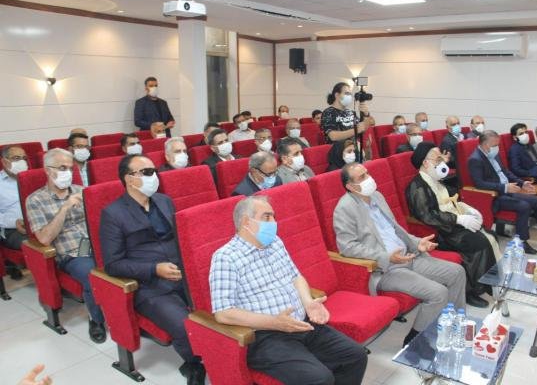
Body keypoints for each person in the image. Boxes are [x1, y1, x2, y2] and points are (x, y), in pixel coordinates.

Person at [210, 196, 367, 385]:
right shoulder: (225, 258)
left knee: (356, 356)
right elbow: (223, 313)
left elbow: (296, 277)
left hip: (302, 323)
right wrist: (275, 322)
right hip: (266, 336)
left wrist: (308, 302)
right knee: (320, 378)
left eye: (274, 216)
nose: (273, 222)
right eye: (267, 217)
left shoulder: (275, 242)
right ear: (246, 222)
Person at [333, 163, 466, 345]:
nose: (369, 178)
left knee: (457, 272)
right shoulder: (344, 208)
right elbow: (347, 247)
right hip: (387, 268)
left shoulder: (377, 196)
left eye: (367, 173)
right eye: (362, 177)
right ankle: (415, 341)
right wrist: (386, 257)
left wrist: (418, 243)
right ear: (350, 186)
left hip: (409, 256)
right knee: (438, 292)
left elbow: (396, 230)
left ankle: (452, 324)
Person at [100, 155, 205, 384]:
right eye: (147, 173)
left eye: (154, 171)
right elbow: (112, 264)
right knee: (184, 325)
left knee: (219, 310)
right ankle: (194, 364)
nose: (154, 176)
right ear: (129, 178)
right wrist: (154, 269)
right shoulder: (113, 213)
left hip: (184, 273)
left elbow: (181, 238)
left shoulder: (164, 201)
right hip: (149, 284)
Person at [25, 148, 106, 342]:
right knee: (92, 274)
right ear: (47, 170)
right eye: (62, 168)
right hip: (71, 253)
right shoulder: (35, 200)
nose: (68, 172)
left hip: (97, 244)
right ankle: (96, 319)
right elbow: (44, 238)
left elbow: (100, 220)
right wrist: (65, 208)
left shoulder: (82, 191)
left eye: (70, 168)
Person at [407, 142, 497, 308]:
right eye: (438, 159)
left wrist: (468, 210)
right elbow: (427, 215)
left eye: (442, 159)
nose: (442, 162)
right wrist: (458, 220)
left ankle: (486, 284)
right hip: (440, 231)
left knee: (490, 235)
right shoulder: (418, 187)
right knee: (478, 243)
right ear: (425, 163)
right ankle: (471, 291)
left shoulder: (436, 180)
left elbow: (453, 199)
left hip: (452, 224)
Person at [468, 130, 537, 254]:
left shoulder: (493, 154)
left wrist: (522, 183)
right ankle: (522, 242)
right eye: (495, 145)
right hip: (494, 196)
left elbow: (506, 172)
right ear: (485, 145)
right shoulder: (475, 159)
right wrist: (504, 187)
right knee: (524, 206)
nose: (497, 148)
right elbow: (479, 184)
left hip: (508, 190)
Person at [0, 145, 28, 279]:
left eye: (24, 158)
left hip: (37, 223)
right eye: (16, 158)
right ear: (4, 161)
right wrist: (14, 222)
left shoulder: (33, 178)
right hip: (12, 230)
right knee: (39, 244)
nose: (22, 162)